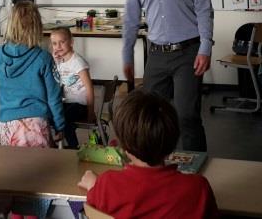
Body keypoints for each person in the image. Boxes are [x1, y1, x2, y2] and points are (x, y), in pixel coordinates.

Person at [122, 0, 214, 152]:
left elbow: (204, 9)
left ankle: (196, 169)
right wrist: (126, 55)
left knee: (187, 116)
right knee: (150, 116)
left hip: (189, 52)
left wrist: (205, 47)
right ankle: (155, 167)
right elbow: (131, 19)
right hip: (157, 55)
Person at [78, 90, 218, 219]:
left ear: (124, 145)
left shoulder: (106, 184)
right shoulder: (198, 188)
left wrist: (94, 186)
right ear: (173, 141)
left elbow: (95, 203)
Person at [0, 1, 65, 148]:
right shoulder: (43, 57)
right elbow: (53, 97)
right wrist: (60, 126)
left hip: (8, 125)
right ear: (36, 26)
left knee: (15, 170)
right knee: (42, 169)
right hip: (36, 125)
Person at [50, 27, 94, 149]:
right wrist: (54, 60)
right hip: (68, 103)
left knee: (64, 118)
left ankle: (73, 148)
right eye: (54, 43)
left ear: (71, 42)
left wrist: (91, 112)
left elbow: (89, 88)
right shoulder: (59, 62)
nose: (58, 46)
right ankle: (59, 134)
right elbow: (56, 81)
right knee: (51, 113)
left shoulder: (78, 62)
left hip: (81, 105)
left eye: (62, 42)